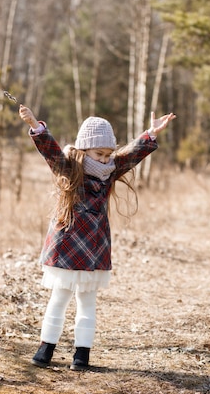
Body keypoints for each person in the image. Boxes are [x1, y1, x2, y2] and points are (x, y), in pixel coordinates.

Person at [18, 104, 176, 371]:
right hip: (67, 245)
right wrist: (35, 126)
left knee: (87, 302)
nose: (105, 159)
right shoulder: (69, 168)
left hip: (94, 247)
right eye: (99, 154)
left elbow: (131, 155)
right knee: (59, 298)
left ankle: (82, 355)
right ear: (84, 150)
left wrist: (151, 133)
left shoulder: (111, 170)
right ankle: (45, 349)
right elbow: (50, 152)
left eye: (107, 154)